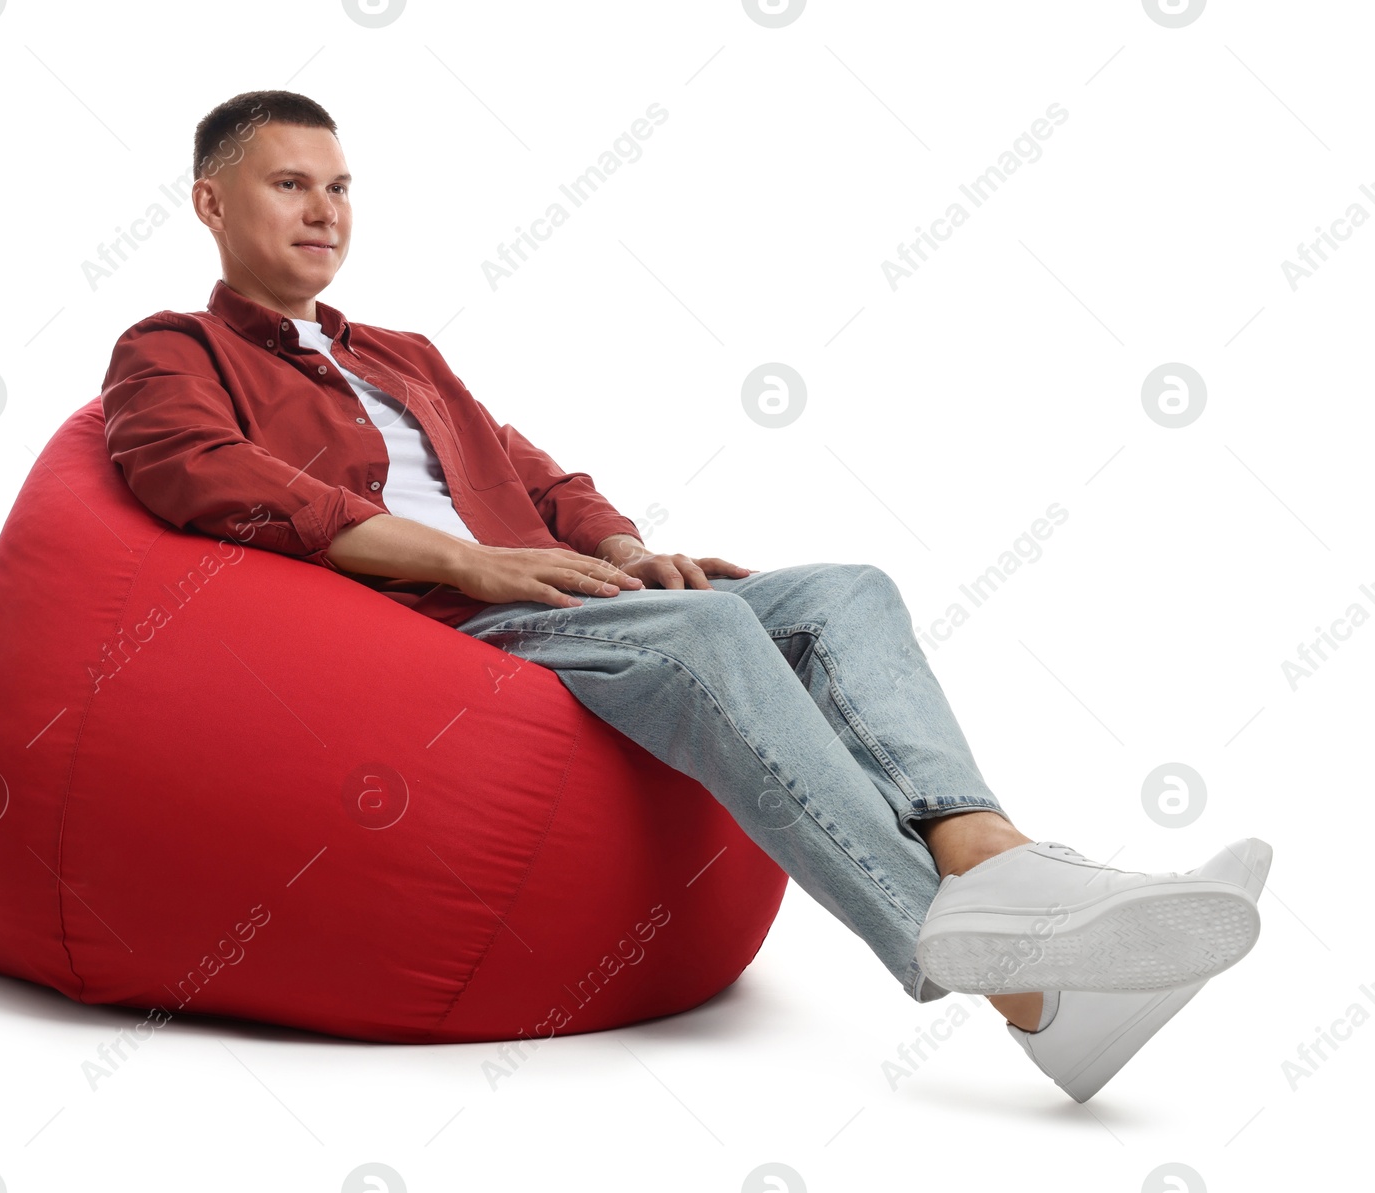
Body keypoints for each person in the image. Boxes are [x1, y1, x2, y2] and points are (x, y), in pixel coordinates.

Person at [98, 90, 1269, 1102]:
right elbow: (193, 468)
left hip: (567, 596)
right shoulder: (174, 348)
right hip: (447, 633)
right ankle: (1009, 962)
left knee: (844, 590)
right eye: (290, 184)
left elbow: (526, 467)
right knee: (711, 632)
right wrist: (468, 563)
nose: (325, 211)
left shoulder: (397, 350)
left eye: (342, 186)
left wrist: (623, 544)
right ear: (210, 202)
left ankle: (996, 865)